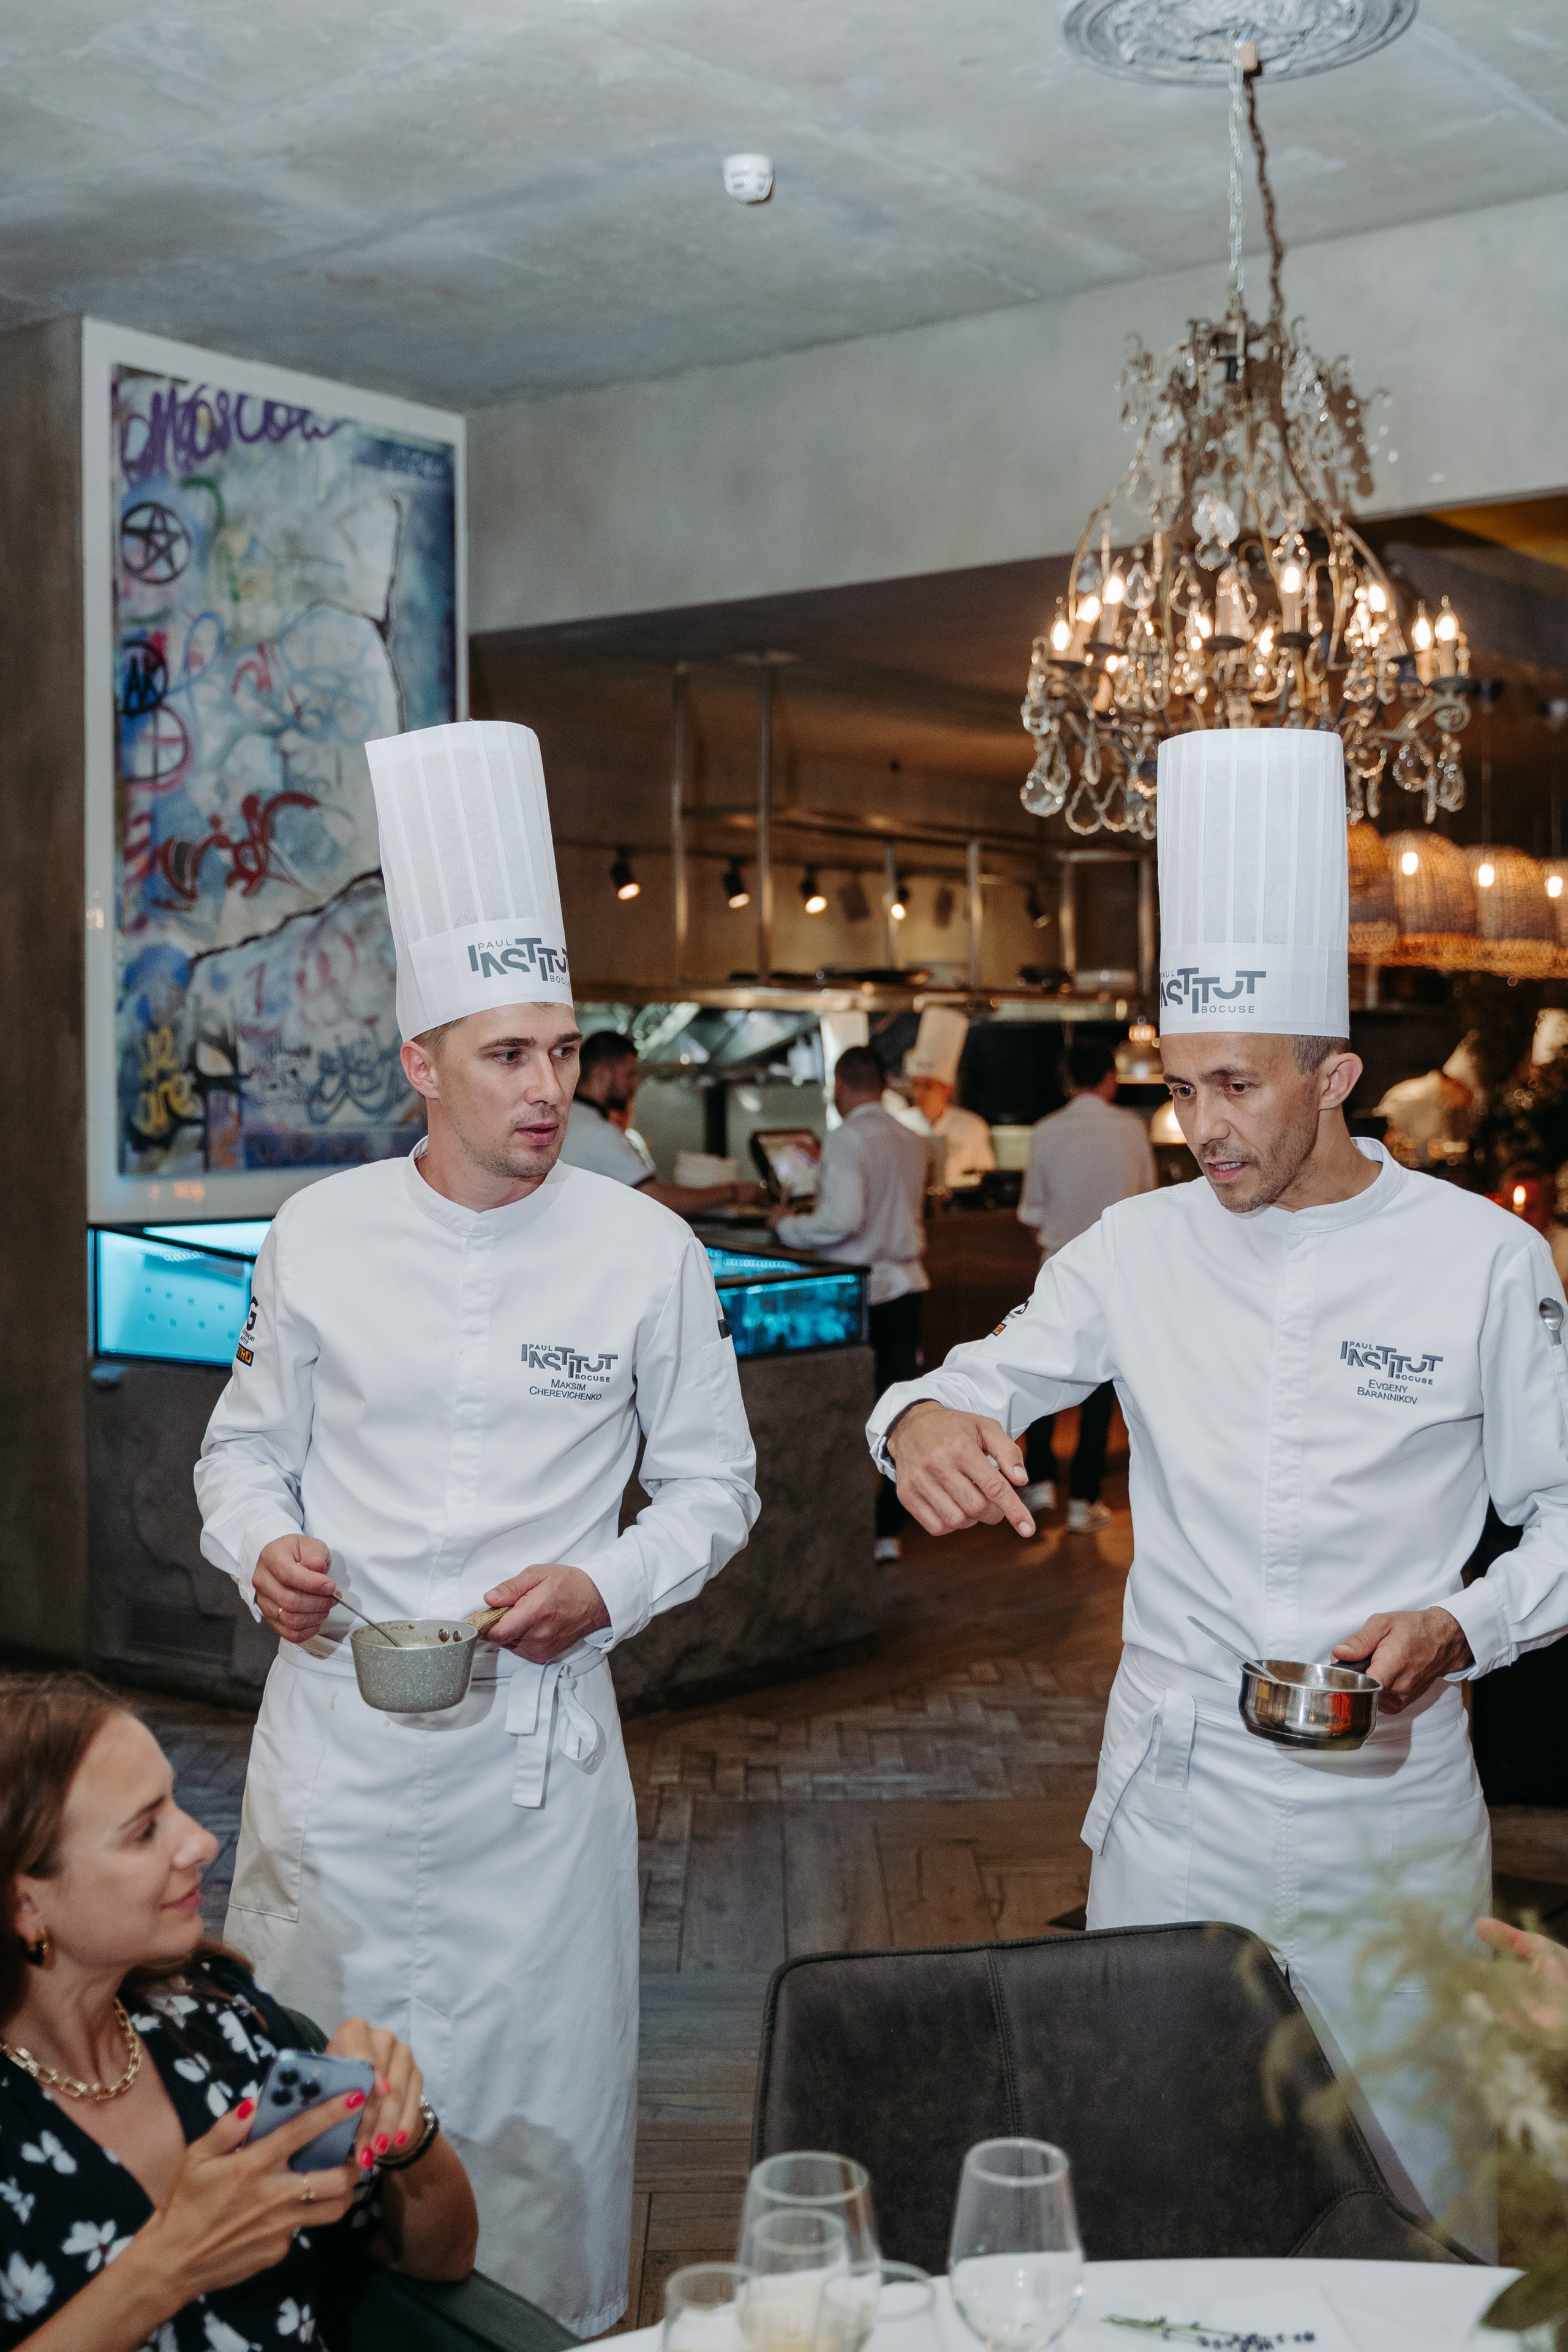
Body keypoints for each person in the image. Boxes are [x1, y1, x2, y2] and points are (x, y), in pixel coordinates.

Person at [867, 728, 1568, 2231]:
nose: (1204, 1129)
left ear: (1334, 1072)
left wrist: (1463, 1628)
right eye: (1181, 1087)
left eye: (1237, 1087)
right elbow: (973, 1377)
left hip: (1380, 1802)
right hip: (1175, 1796)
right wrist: (916, 1420)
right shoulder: (1139, 1243)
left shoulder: (1478, 1263)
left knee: (1399, 2183)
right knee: (1155, 2152)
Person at [195, 720, 760, 2335]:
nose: (548, 1089)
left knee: (533, 2133)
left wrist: (609, 1582)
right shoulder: (319, 1234)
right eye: (506, 1055)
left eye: (564, 1051)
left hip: (534, 1778)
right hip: (338, 1765)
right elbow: (242, 1460)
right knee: (303, 2111)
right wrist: (264, 1549)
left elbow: (712, 1490)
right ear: (418, 1066)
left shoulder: (645, 1255)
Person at [0, 1671, 477, 2352]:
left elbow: (437, 2262)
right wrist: (170, 2263)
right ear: (24, 1904)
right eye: (144, 1831)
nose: (201, 1842)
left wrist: (406, 2136)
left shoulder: (216, 2020)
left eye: (175, 1804)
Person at [768, 1043, 929, 1564]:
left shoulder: (847, 1138)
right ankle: (891, 1528)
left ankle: (854, 1527)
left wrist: (785, 1226)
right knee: (901, 1414)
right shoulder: (912, 1137)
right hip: (908, 1286)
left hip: (863, 1293)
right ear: (883, 1083)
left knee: (853, 1415)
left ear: (840, 1086)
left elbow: (841, 1220)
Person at [1017, 1039, 1156, 1532]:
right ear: (1110, 1078)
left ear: (1068, 1079)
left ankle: (1037, 1487)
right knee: (1100, 1387)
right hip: (1114, 1273)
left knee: (1041, 1374)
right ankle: (1084, 1500)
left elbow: (1030, 1210)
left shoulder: (1045, 1131)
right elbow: (1147, 1202)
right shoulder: (1131, 1129)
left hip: (1056, 1268)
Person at [559, 1031, 763, 1213]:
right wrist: (734, 1192)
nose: (635, 1084)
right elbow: (655, 1197)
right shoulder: (596, 1132)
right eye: (629, 1074)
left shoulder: (574, 1118)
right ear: (604, 1073)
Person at [885, 1010, 996, 1189]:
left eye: (928, 1086)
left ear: (947, 1089)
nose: (920, 1093)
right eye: (916, 1085)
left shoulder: (973, 1127)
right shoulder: (899, 1125)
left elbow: (985, 1178)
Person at [1493, 1160, 1568, 1289]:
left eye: (1531, 1207)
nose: (1522, 1216)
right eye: (1512, 1207)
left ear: (1550, 1205)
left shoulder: (1565, 1248)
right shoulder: (1495, 1245)